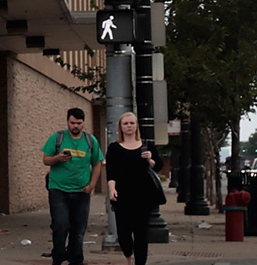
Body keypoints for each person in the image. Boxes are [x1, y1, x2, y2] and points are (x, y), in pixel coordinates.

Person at [41, 107, 104, 265]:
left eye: (79, 123)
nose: (75, 126)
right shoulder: (58, 138)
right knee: (60, 224)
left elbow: (97, 163)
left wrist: (92, 185)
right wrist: (58, 158)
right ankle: (59, 255)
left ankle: (75, 259)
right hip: (58, 189)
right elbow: (46, 160)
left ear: (83, 123)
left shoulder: (90, 141)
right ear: (67, 121)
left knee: (78, 229)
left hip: (81, 191)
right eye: (72, 123)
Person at [105, 112, 164, 265]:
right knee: (123, 233)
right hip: (122, 196)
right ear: (121, 127)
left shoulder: (146, 146)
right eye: (126, 123)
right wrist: (112, 189)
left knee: (141, 234)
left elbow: (158, 166)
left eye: (132, 123)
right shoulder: (114, 148)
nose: (129, 126)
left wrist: (150, 158)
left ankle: (140, 262)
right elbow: (111, 171)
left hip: (144, 196)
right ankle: (127, 254)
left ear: (136, 125)